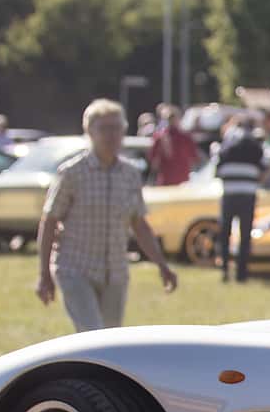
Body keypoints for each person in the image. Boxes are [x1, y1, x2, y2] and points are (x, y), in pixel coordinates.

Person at [36, 98, 178, 332]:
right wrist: (44, 274)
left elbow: (139, 223)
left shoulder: (130, 174)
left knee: (110, 343)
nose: (112, 135)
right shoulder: (72, 173)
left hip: (115, 273)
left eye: (117, 128)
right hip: (76, 268)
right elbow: (49, 220)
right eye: (105, 128)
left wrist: (162, 266)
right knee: (92, 334)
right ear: (89, 132)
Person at [213, 116, 266, 282]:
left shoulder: (227, 142)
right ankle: (241, 274)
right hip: (248, 193)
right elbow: (265, 166)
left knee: (225, 232)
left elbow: (217, 167)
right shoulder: (255, 144)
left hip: (229, 193)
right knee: (245, 234)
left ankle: (224, 270)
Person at [149, 103, 196, 186]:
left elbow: (153, 160)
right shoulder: (185, 137)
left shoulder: (160, 136)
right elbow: (194, 157)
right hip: (182, 180)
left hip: (166, 180)